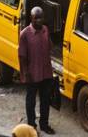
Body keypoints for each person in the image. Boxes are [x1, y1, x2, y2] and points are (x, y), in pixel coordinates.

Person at [18, 7, 55, 135]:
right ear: (31, 18)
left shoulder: (45, 30)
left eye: (41, 18)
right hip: (32, 74)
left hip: (45, 72)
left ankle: (44, 125)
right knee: (31, 101)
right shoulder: (24, 34)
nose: (39, 21)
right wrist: (25, 73)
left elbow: (50, 46)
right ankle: (32, 126)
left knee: (45, 100)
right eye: (36, 18)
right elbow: (22, 56)